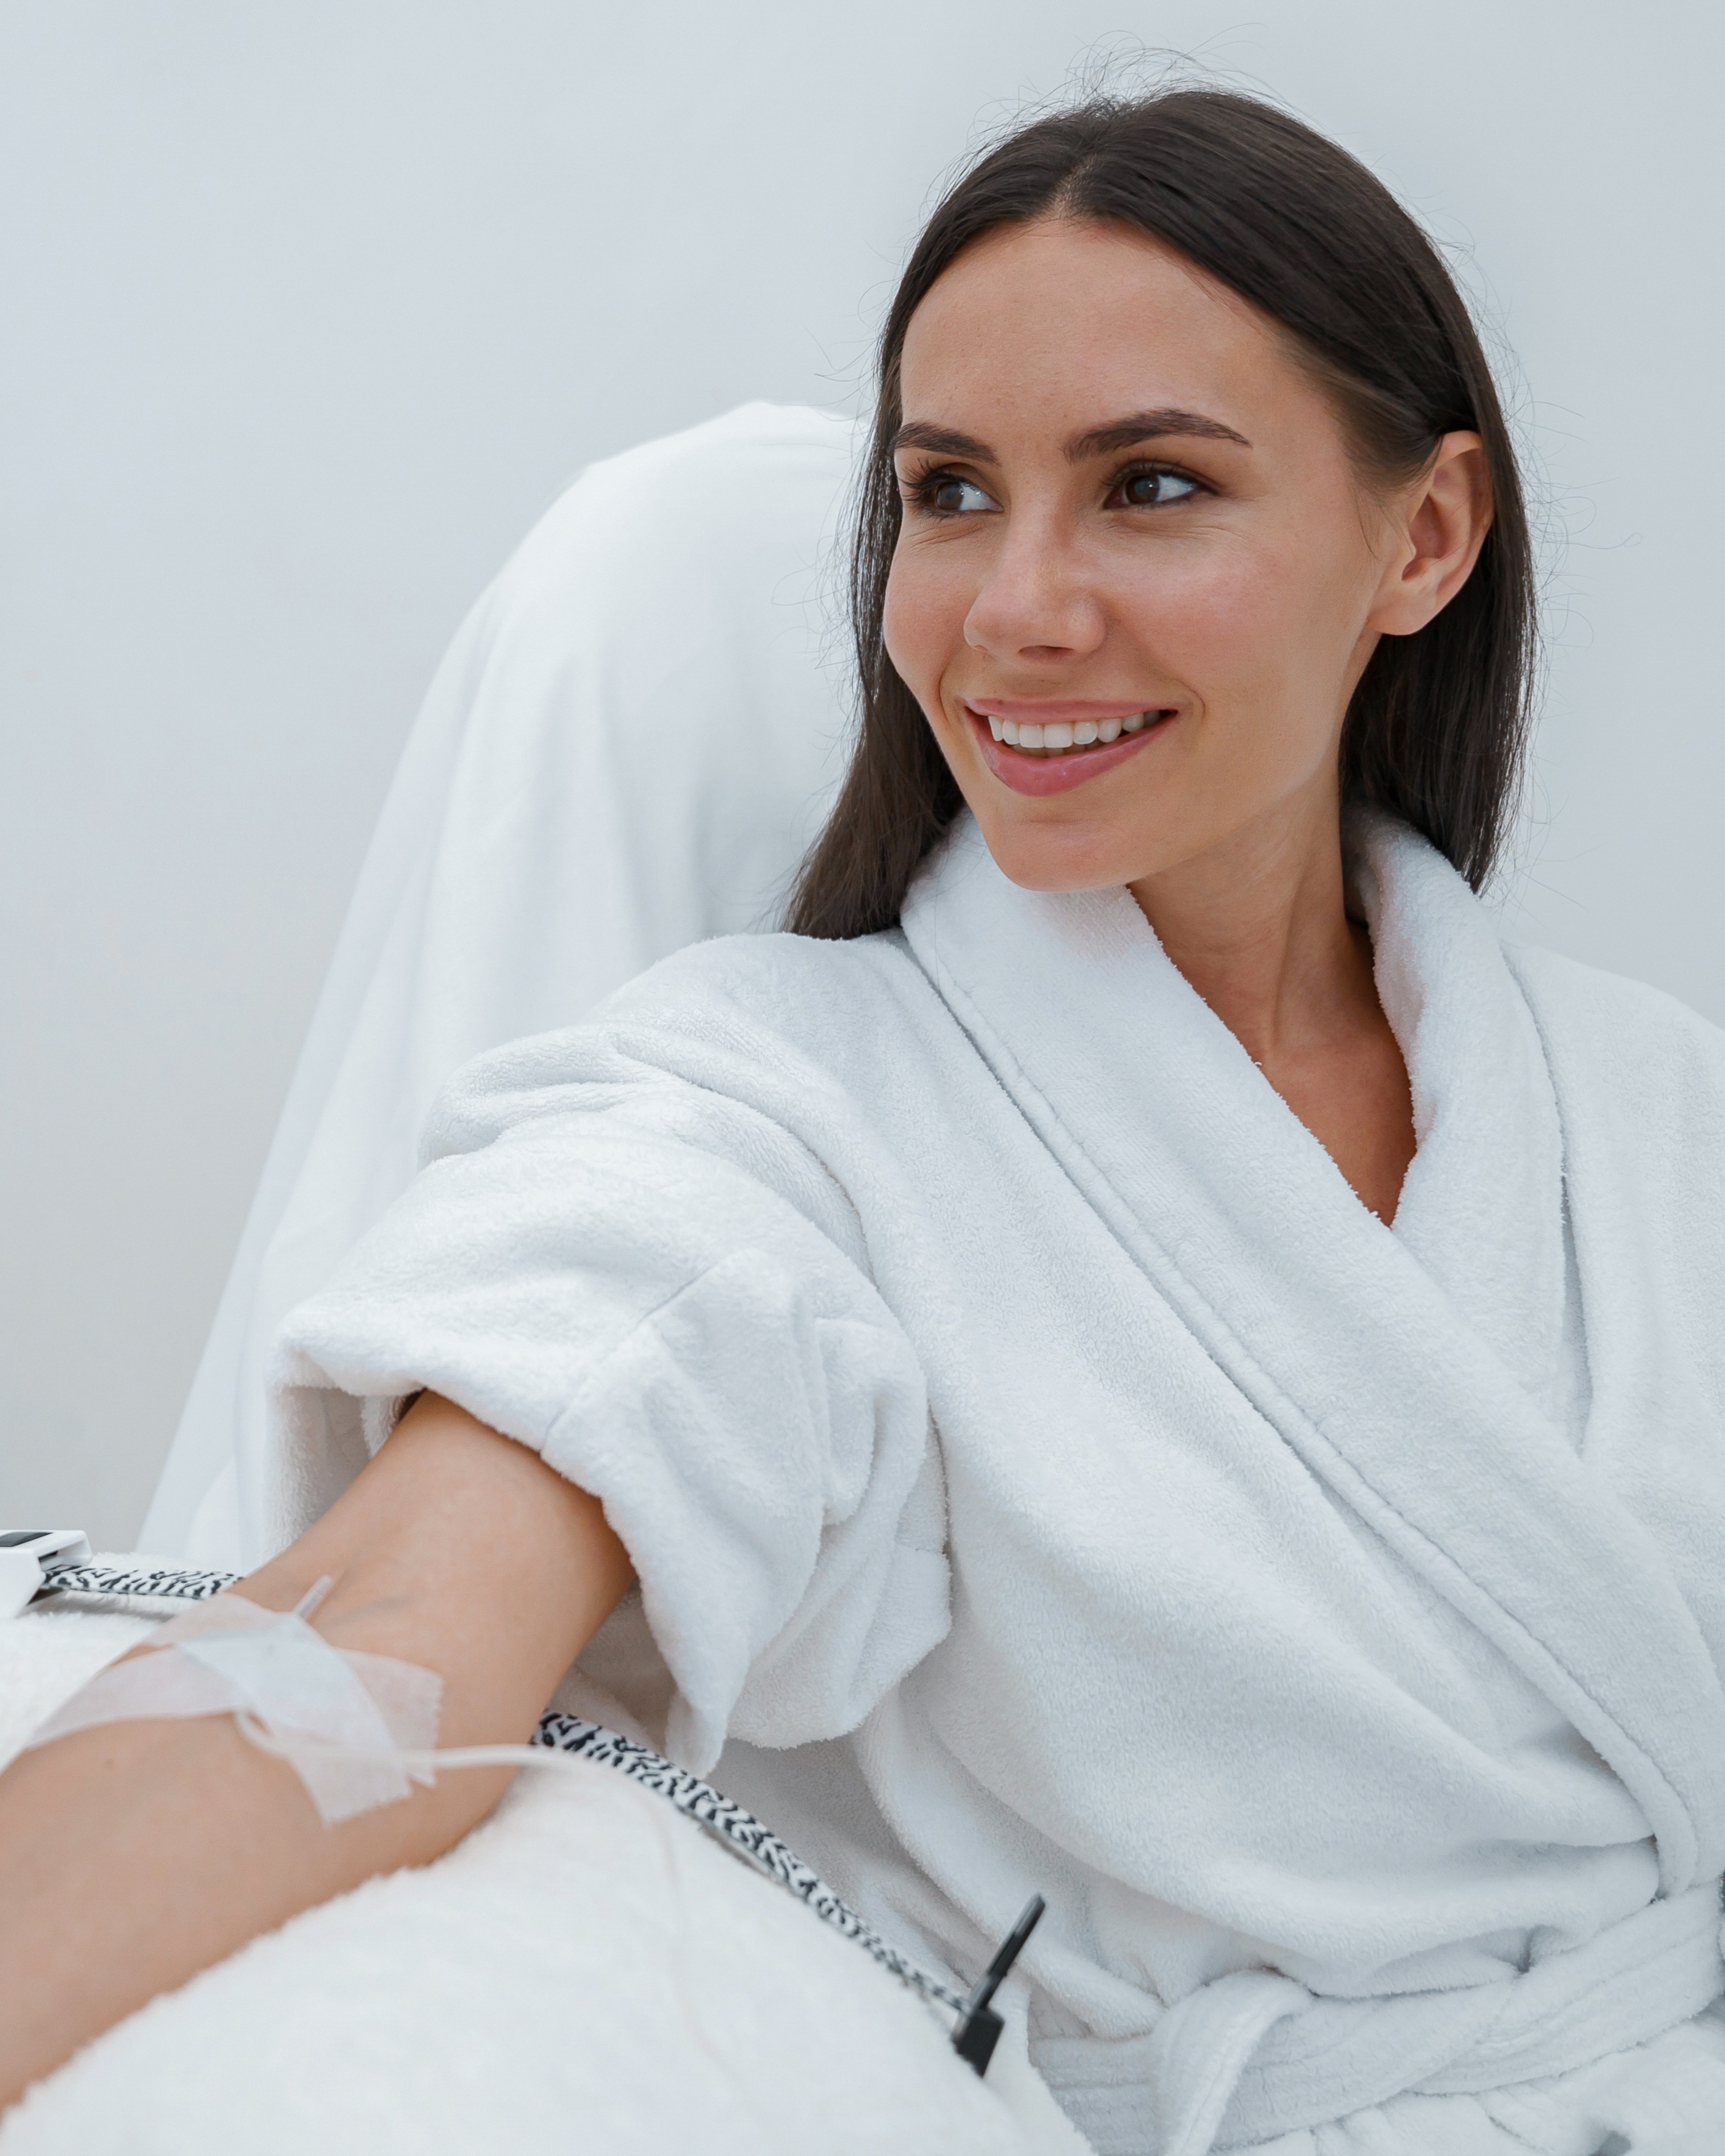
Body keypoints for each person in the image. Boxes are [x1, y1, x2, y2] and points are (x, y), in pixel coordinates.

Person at [5, 87, 1725, 2153]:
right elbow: (376, 1639)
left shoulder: (1652, 1114)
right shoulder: (777, 1116)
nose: (1014, 608)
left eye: (1152, 485)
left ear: (1423, 537)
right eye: (951, 491)